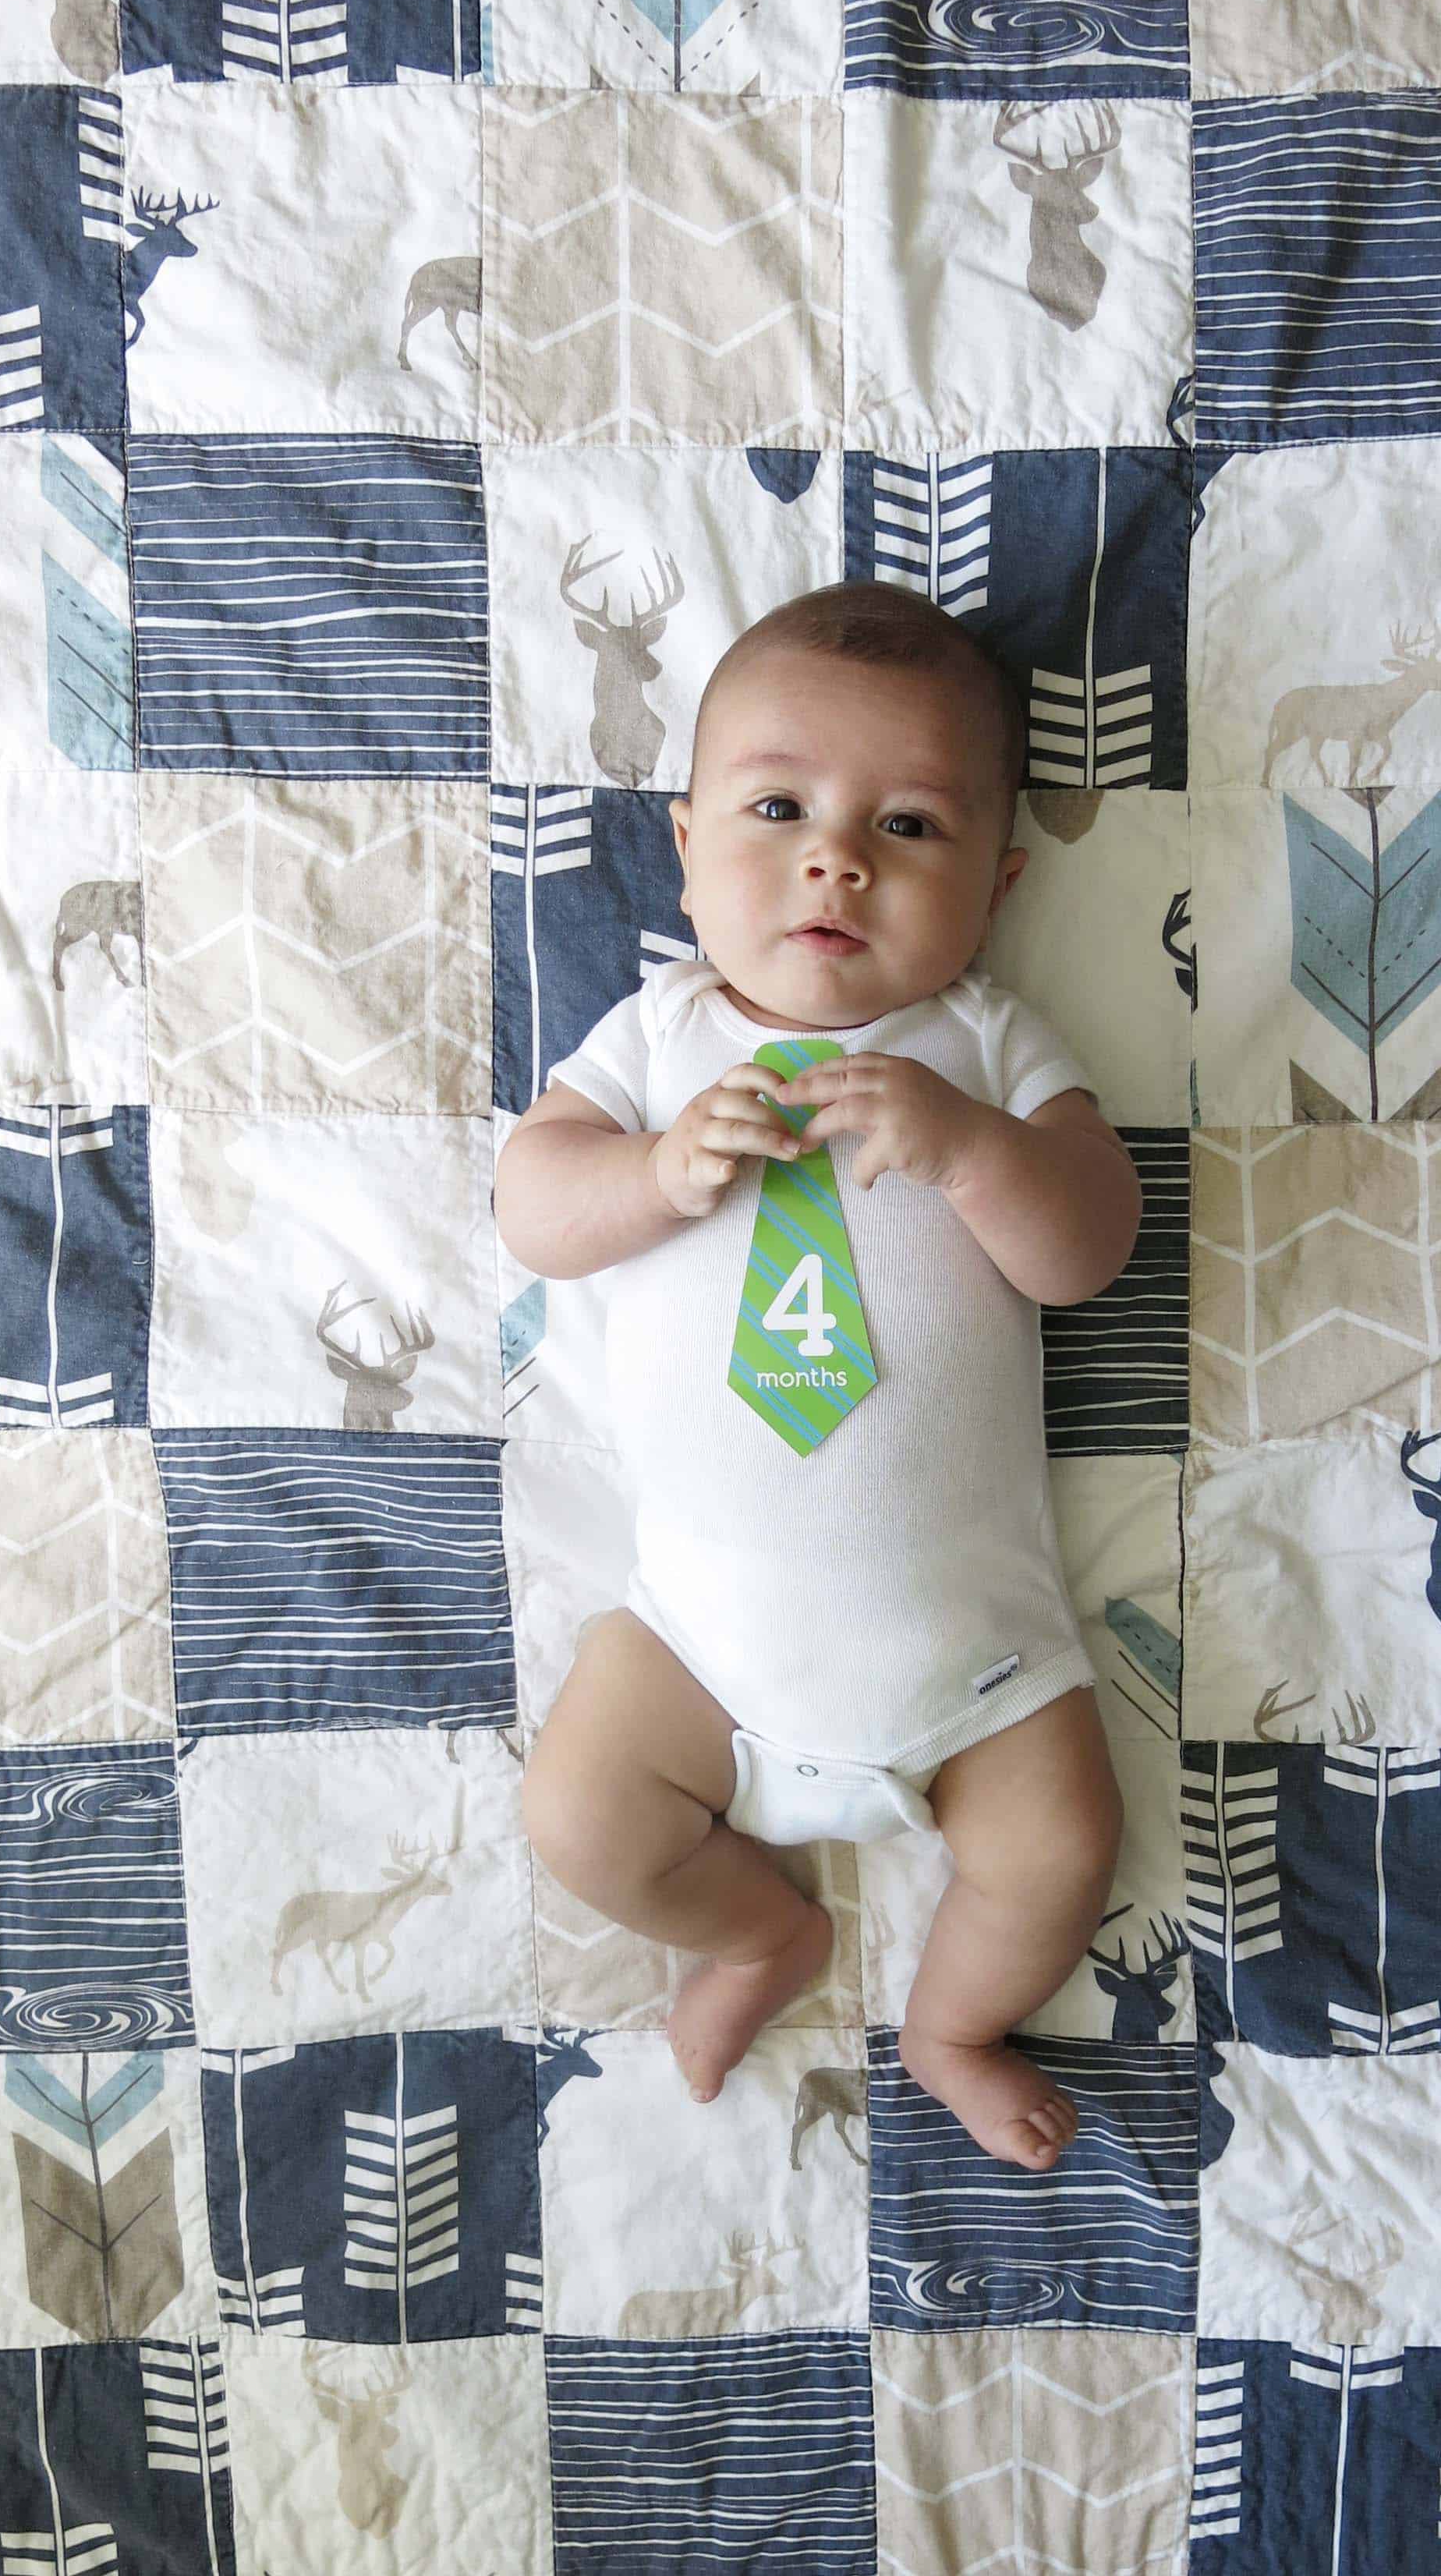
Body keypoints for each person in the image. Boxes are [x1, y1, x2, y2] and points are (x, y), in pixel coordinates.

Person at [494, 582, 1142, 2171]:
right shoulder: (653, 1039)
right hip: (698, 1658)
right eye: (778, 806)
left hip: (977, 1665)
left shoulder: (986, 1045)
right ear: (687, 838)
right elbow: (534, 1204)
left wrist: (976, 1150)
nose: (836, 855)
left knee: (1062, 1845)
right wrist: (650, 1172)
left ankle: (950, 2023)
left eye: (907, 825)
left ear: (994, 883)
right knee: (578, 1817)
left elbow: (1090, 1246)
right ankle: (753, 1937)